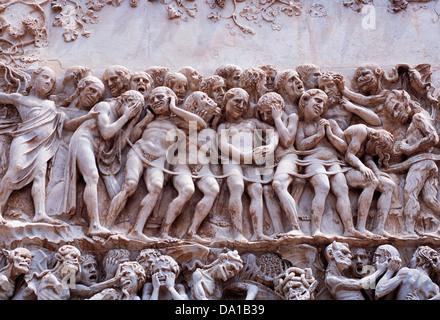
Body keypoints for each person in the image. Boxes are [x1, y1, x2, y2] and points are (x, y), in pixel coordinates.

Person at [104, 87, 206, 242]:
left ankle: (137, 230)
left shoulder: (178, 121)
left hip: (159, 159)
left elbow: (200, 125)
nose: (155, 101)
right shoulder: (149, 119)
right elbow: (133, 136)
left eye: (160, 97)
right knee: (129, 186)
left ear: (171, 98)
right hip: (139, 152)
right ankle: (105, 227)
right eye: (152, 99)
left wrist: (174, 108)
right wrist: (146, 120)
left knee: (156, 188)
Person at [0, 67, 99, 226]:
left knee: (39, 177)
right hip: (24, 140)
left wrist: (88, 116)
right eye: (45, 77)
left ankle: (40, 214)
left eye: (52, 81)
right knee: (16, 167)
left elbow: (68, 121)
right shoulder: (20, 99)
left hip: (43, 146)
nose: (48, 82)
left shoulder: (52, 104)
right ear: (34, 78)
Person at [62, 90, 144, 237]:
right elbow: (106, 132)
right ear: (124, 100)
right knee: (92, 176)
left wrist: (132, 121)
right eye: (132, 107)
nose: (131, 112)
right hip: (84, 140)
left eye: (135, 111)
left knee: (88, 180)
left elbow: (121, 145)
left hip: (95, 149)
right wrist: (126, 117)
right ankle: (94, 225)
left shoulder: (121, 118)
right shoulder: (104, 106)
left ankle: (80, 218)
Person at [295, 89, 363, 238]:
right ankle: (316, 229)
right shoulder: (301, 124)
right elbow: (300, 145)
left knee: (342, 189)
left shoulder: (330, 123)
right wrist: (319, 135)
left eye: (324, 103)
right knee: (323, 186)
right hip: (312, 159)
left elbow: (345, 147)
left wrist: (330, 135)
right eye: (317, 101)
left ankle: (349, 228)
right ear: (305, 101)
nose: (321, 105)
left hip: (333, 160)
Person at [218, 88, 279, 241]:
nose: (241, 106)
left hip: (251, 161)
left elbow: (273, 132)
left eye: (244, 103)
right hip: (233, 161)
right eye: (237, 101)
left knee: (256, 189)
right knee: (237, 187)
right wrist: (245, 156)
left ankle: (258, 233)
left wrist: (271, 146)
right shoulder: (223, 126)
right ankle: (238, 233)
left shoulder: (251, 123)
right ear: (226, 102)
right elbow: (222, 145)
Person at [256, 92, 304, 236]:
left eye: (269, 113)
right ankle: (278, 231)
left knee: (279, 184)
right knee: (266, 190)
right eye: (263, 114)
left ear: (278, 107)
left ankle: (296, 228)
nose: (265, 117)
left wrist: (277, 118)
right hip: (270, 160)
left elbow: (287, 140)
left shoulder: (291, 117)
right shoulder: (266, 125)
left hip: (288, 157)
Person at [342, 124, 397, 237]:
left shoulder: (369, 139)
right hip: (343, 167)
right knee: (371, 182)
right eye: (376, 151)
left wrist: (377, 172)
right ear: (374, 142)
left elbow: (367, 157)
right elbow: (349, 156)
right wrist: (362, 167)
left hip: (356, 168)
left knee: (389, 185)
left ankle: (379, 228)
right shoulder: (361, 131)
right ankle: (361, 227)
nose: (374, 154)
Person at [375, 246, 440, 300]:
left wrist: (390, 270)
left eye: (413, 257)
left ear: (420, 260)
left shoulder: (408, 272)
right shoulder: (435, 288)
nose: (410, 261)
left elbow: (379, 292)